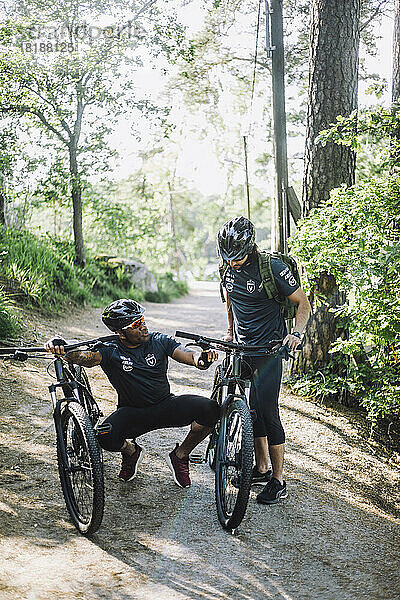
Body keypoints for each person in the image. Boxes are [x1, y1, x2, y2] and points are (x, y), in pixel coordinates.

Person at [45, 298, 219, 489]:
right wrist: (62, 348)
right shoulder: (110, 350)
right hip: (132, 413)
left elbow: (188, 354)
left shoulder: (159, 340)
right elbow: (84, 357)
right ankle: (131, 452)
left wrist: (201, 359)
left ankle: (180, 456)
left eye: (142, 320)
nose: (143, 327)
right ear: (120, 332)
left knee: (210, 409)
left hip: (165, 406)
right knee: (104, 436)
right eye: (136, 325)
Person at [217, 216, 311, 505]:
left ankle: (279, 480)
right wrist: (231, 331)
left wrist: (295, 334)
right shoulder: (227, 267)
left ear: (251, 247)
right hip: (243, 350)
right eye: (228, 258)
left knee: (268, 412)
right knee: (252, 410)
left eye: (238, 257)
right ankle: (260, 468)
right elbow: (231, 298)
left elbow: (303, 304)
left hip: (269, 352)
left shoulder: (273, 268)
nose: (233, 263)